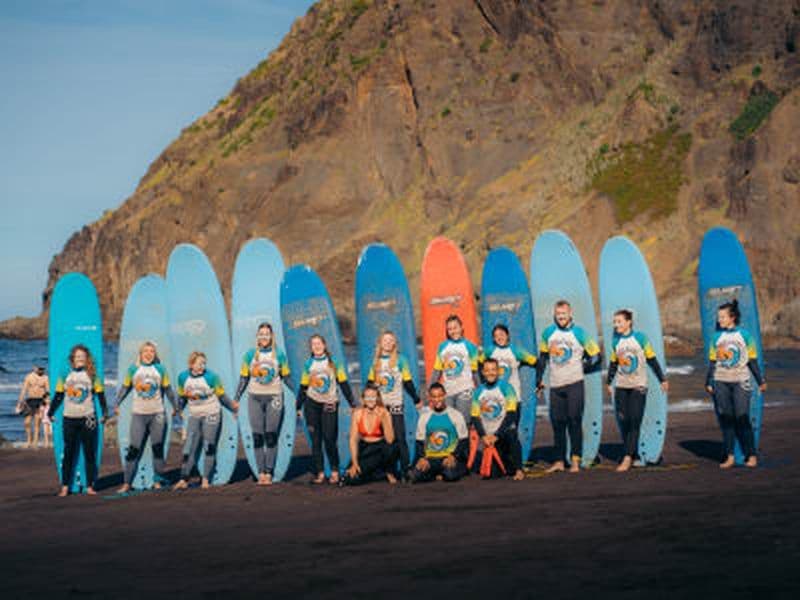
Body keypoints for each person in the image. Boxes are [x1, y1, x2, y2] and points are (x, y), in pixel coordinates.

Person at [535, 300, 601, 473]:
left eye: (564, 314)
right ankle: (558, 460)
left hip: (574, 384)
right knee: (557, 423)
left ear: (570, 314)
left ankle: (575, 460)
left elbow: (596, 356)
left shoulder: (579, 333)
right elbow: (542, 358)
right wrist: (538, 380)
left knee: (574, 420)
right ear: (554, 315)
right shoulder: (548, 333)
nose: (561, 317)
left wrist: (582, 367)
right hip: (556, 385)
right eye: (558, 314)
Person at [705, 299, 766, 469]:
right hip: (720, 381)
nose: (719, 320)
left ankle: (751, 455)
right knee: (726, 419)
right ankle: (730, 456)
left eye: (723, 316)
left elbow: (752, 360)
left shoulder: (745, 336)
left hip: (741, 381)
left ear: (732, 317)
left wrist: (761, 381)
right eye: (719, 317)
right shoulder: (716, 337)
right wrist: (708, 382)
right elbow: (712, 362)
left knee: (742, 417)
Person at [605, 310, 669, 472]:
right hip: (621, 386)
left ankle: (627, 458)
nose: (616, 325)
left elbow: (652, 359)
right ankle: (633, 455)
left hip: (638, 386)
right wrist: (608, 382)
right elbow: (613, 364)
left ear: (629, 322)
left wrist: (662, 379)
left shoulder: (640, 338)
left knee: (635, 420)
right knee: (624, 421)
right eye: (615, 322)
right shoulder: (615, 342)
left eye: (619, 321)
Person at [114, 341, 179, 493]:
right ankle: (127, 483)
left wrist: (176, 407)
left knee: (157, 449)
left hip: (157, 414)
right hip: (139, 414)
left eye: (151, 351)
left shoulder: (160, 369)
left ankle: (157, 481)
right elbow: (125, 388)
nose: (149, 354)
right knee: (133, 449)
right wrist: (117, 403)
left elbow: (168, 390)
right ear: (140, 354)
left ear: (155, 354)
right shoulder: (133, 369)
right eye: (145, 351)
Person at [234, 322, 293, 486]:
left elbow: (287, 377)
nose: (264, 337)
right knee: (258, 436)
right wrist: (236, 398)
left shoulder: (279, 355)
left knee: (271, 435)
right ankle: (261, 472)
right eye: (261, 334)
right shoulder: (250, 355)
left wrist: (300, 394)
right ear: (257, 336)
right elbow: (244, 378)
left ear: (271, 336)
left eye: (267, 334)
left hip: (274, 396)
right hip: (254, 397)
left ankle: (269, 471)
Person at [296, 334, 357, 485]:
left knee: (330, 439)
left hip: (330, 403)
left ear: (324, 345)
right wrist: (298, 406)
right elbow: (303, 387)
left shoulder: (334, 362)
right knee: (315, 440)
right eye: (313, 344)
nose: (316, 346)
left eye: (319, 343)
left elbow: (343, 383)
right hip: (311, 404)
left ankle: (335, 471)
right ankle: (320, 472)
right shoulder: (308, 363)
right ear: (311, 347)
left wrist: (352, 403)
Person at [173, 351, 239, 490]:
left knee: (209, 445)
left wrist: (233, 408)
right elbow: (182, 397)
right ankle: (183, 479)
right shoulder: (183, 377)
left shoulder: (212, 377)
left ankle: (206, 479)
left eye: (204, 363)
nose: (202, 366)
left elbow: (222, 397)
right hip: (195, 414)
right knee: (189, 446)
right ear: (191, 364)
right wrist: (178, 410)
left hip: (212, 413)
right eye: (199, 363)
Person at [48, 345, 107, 497]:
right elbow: (59, 395)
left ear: (87, 359)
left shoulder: (92, 375)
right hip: (69, 418)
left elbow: (100, 396)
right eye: (77, 356)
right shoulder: (65, 374)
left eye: (83, 356)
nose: (80, 359)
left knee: (89, 453)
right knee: (69, 453)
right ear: (72, 359)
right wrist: (50, 412)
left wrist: (105, 413)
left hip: (88, 418)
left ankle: (89, 486)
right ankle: (65, 486)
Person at [366, 331, 421, 479]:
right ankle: (388, 471)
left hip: (396, 404)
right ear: (380, 343)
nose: (388, 343)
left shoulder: (401, 359)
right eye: (385, 340)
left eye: (391, 340)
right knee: (384, 439)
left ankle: (405, 469)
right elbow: (370, 385)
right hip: (381, 407)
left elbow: (408, 382)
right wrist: (365, 403)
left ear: (394, 343)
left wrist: (416, 399)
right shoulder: (376, 362)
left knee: (400, 437)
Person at [470, 358, 525, 480]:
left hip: (504, 433)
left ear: (498, 371)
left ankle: (519, 469)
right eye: (487, 370)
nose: (491, 373)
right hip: (489, 437)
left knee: (512, 433)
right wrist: (483, 436)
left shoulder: (507, 388)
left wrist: (497, 435)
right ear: (483, 372)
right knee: (492, 475)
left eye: (493, 370)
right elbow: (475, 416)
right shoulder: (478, 391)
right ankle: (505, 465)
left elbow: (511, 414)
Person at [410, 383, 469, 483]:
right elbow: (419, 442)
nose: (437, 400)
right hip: (431, 458)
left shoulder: (456, 415)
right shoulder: (424, 417)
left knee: (450, 475)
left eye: (440, 396)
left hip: (448, 457)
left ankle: (442, 474)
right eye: (434, 396)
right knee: (415, 476)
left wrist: (453, 456)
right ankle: (437, 475)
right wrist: (422, 459)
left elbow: (463, 440)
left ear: (445, 395)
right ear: (430, 398)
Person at [480, 323, 537, 423]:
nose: (499, 337)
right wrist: (483, 382)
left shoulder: (516, 351)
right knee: (496, 431)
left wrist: (538, 380)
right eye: (496, 336)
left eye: (501, 334)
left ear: (507, 336)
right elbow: (479, 363)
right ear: (493, 339)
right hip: (495, 397)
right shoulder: (489, 351)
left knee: (512, 430)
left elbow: (535, 361)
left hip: (513, 397)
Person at [343, 384, 399, 485]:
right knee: (349, 477)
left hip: (381, 448)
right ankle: (378, 474)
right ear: (363, 399)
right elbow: (353, 439)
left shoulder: (384, 412)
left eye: (373, 396)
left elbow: (390, 440)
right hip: (365, 447)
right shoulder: (357, 413)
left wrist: (384, 419)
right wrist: (355, 463)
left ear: (377, 398)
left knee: (392, 448)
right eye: (367, 397)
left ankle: (389, 472)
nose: (370, 400)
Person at [429, 315, 480, 425]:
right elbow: (437, 371)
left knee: (463, 424)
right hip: (448, 392)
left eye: (455, 327)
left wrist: (481, 390)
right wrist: (430, 390)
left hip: (465, 390)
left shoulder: (470, 346)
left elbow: (475, 372)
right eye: (450, 329)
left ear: (461, 327)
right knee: (450, 425)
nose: (453, 331)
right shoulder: (442, 347)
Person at [16, 364, 49, 448]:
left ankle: (35, 443)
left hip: (40, 401)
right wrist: (19, 403)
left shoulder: (45, 378)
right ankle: (29, 440)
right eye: (39, 368)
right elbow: (24, 390)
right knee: (26, 422)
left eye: (43, 368)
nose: (41, 370)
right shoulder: (29, 377)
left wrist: (48, 403)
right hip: (30, 401)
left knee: (37, 423)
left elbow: (48, 391)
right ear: (34, 368)